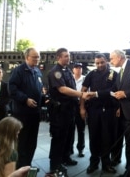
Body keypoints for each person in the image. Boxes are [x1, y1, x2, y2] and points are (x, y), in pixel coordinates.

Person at [47, 47, 92, 176]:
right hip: (60, 111)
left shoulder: (67, 71)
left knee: (68, 136)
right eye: (65, 56)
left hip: (70, 110)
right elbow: (62, 89)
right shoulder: (56, 72)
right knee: (59, 138)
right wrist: (81, 94)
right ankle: (55, 164)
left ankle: (65, 157)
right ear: (58, 58)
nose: (68, 58)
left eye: (68, 56)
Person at [80, 54, 118, 174]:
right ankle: (94, 163)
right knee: (94, 137)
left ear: (106, 61)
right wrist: (82, 108)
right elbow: (83, 91)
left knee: (107, 138)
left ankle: (106, 164)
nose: (99, 65)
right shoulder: (91, 74)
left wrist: (118, 108)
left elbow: (114, 91)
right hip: (94, 110)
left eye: (101, 62)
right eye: (97, 63)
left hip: (109, 110)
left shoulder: (114, 74)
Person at [8, 47, 43, 168]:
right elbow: (12, 89)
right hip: (22, 113)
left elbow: (37, 89)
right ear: (26, 57)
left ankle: (28, 164)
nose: (37, 59)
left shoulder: (37, 71)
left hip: (35, 113)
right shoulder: (18, 71)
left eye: (38, 57)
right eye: (34, 57)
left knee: (32, 141)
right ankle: (20, 166)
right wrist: (25, 99)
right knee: (22, 141)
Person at [109, 49, 130, 177]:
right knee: (129, 144)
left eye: (112, 58)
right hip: (124, 112)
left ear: (120, 57)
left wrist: (125, 93)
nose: (110, 61)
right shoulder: (120, 71)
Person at [71, 62, 86, 157]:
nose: (78, 69)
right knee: (70, 129)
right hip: (71, 105)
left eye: (80, 68)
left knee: (81, 129)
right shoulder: (69, 78)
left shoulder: (85, 79)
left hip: (81, 104)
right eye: (76, 68)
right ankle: (70, 149)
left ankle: (81, 149)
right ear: (73, 69)